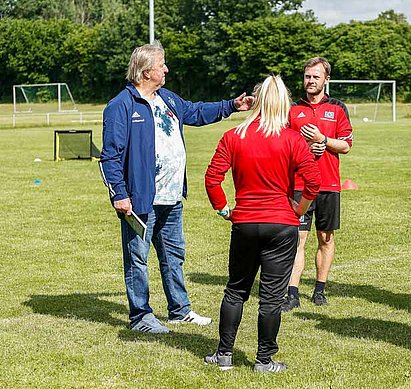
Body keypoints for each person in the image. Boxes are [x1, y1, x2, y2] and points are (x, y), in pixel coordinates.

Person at [99, 41, 253, 334]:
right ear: (146, 71)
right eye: (161, 64)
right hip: (140, 200)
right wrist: (119, 193)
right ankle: (141, 317)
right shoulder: (120, 106)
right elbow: (110, 155)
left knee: (173, 256)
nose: (166, 68)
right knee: (137, 260)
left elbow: (195, 112)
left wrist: (232, 106)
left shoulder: (166, 98)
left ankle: (179, 311)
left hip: (171, 196)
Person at [204, 75, 321, 372]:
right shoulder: (293, 139)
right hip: (282, 224)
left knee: (235, 290)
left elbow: (212, 178)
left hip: (244, 222)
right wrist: (299, 209)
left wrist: (223, 209)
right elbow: (314, 182)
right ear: (284, 103)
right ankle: (264, 360)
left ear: (256, 102)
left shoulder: (234, 136)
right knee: (271, 298)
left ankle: (224, 355)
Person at [281, 57, 353, 311]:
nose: (310, 81)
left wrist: (325, 140)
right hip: (299, 184)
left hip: (329, 185)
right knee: (297, 239)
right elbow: (282, 146)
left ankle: (320, 290)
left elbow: (345, 145)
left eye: (315, 77)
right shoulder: (291, 110)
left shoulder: (338, 108)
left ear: (326, 79)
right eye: (307, 76)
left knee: (325, 237)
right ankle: (292, 293)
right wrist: (306, 147)